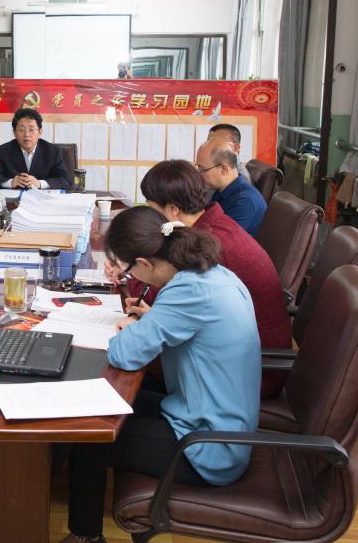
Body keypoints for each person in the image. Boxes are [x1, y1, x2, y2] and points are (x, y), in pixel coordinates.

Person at [63, 206, 259, 543]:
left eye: (128, 271)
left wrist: (136, 327)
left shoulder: (187, 292)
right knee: (108, 403)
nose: (131, 279)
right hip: (212, 415)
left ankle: (86, 538)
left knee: (88, 436)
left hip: (207, 445)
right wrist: (153, 319)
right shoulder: (212, 274)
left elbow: (124, 354)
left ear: (144, 263)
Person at [132, 160, 290, 399]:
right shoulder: (209, 227)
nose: (149, 216)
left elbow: (155, 294)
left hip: (249, 374)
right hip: (229, 354)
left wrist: (130, 268)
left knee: (126, 366)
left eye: (150, 207)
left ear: (173, 210)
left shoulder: (210, 247)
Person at [0, 107, 73, 190]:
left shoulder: (53, 151)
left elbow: (66, 180)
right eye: (21, 130)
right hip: (15, 200)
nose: (27, 134)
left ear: (40, 132)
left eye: (31, 129)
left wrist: (39, 183)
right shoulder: (4, 151)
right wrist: (11, 182)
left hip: (42, 199)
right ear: (14, 133)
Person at [195, 137, 267, 236]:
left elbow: (217, 240)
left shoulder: (246, 202)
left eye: (202, 169)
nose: (199, 174)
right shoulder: (221, 190)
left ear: (224, 169)